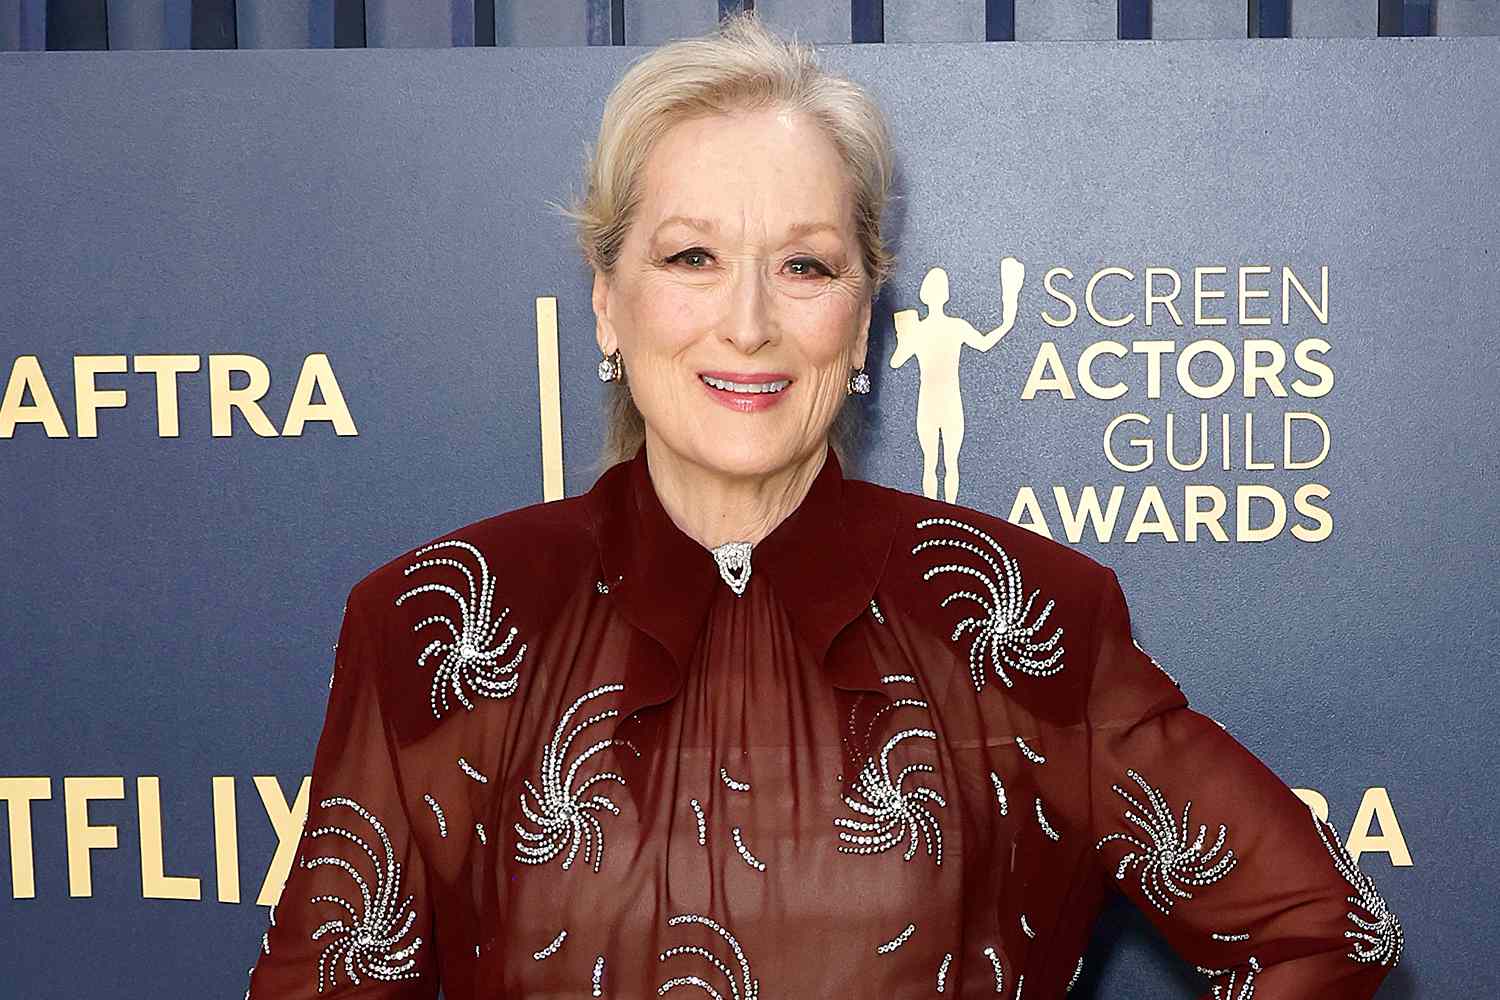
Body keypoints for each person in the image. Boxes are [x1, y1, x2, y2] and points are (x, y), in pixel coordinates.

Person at [244, 12, 1402, 998]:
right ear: (606, 302)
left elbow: (1323, 929)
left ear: (861, 313)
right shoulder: (440, 624)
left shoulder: (1022, 618)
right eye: (691, 256)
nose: (747, 322)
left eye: (804, 265)